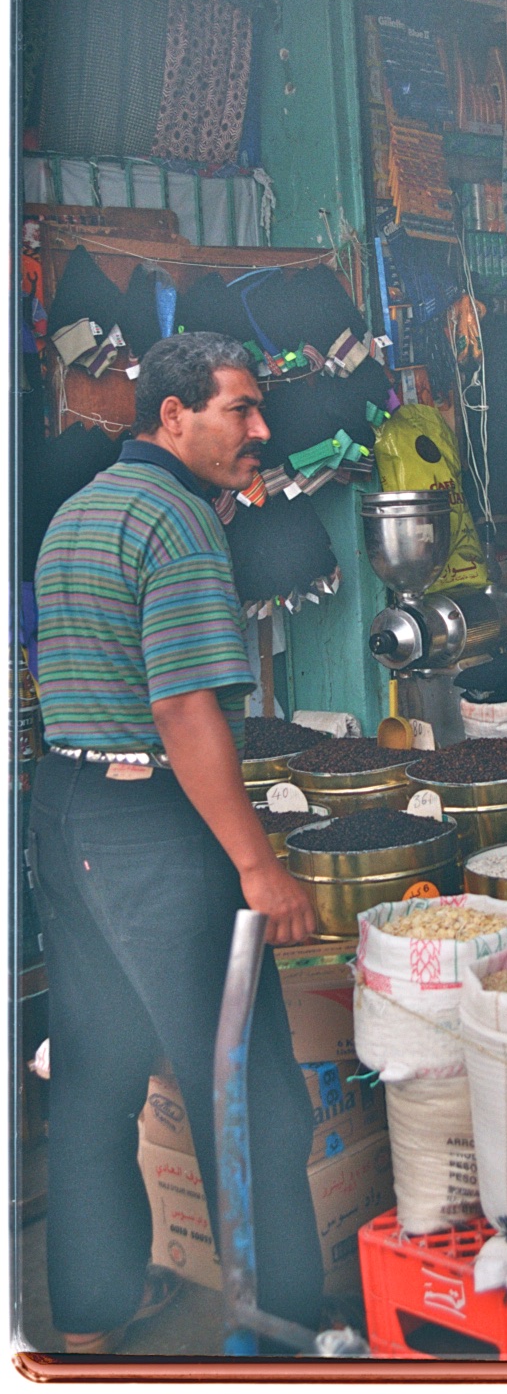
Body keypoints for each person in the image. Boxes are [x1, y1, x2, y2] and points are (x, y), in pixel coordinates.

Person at [28, 333, 323, 1353]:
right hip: (158, 825)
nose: (261, 430)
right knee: (246, 1094)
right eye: (240, 409)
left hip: (65, 810)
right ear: (171, 416)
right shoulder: (177, 522)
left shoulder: (80, 512)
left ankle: (90, 1325)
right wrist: (257, 862)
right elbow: (185, 706)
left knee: (98, 1083)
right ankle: (282, 1336)